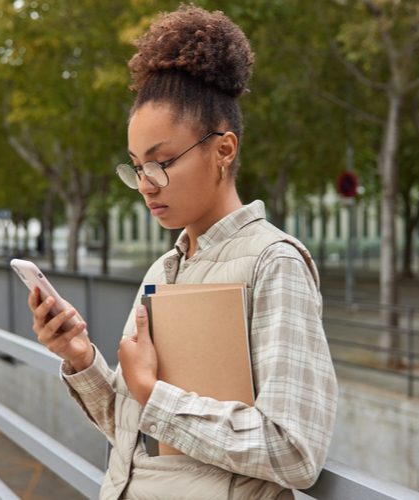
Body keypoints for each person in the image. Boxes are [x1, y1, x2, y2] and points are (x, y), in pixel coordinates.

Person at [28, 5, 337, 499]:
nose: (147, 186)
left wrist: (154, 395)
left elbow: (293, 449)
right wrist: (80, 357)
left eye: (163, 162)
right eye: (136, 167)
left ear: (224, 149)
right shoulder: (162, 270)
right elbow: (137, 439)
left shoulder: (273, 262)